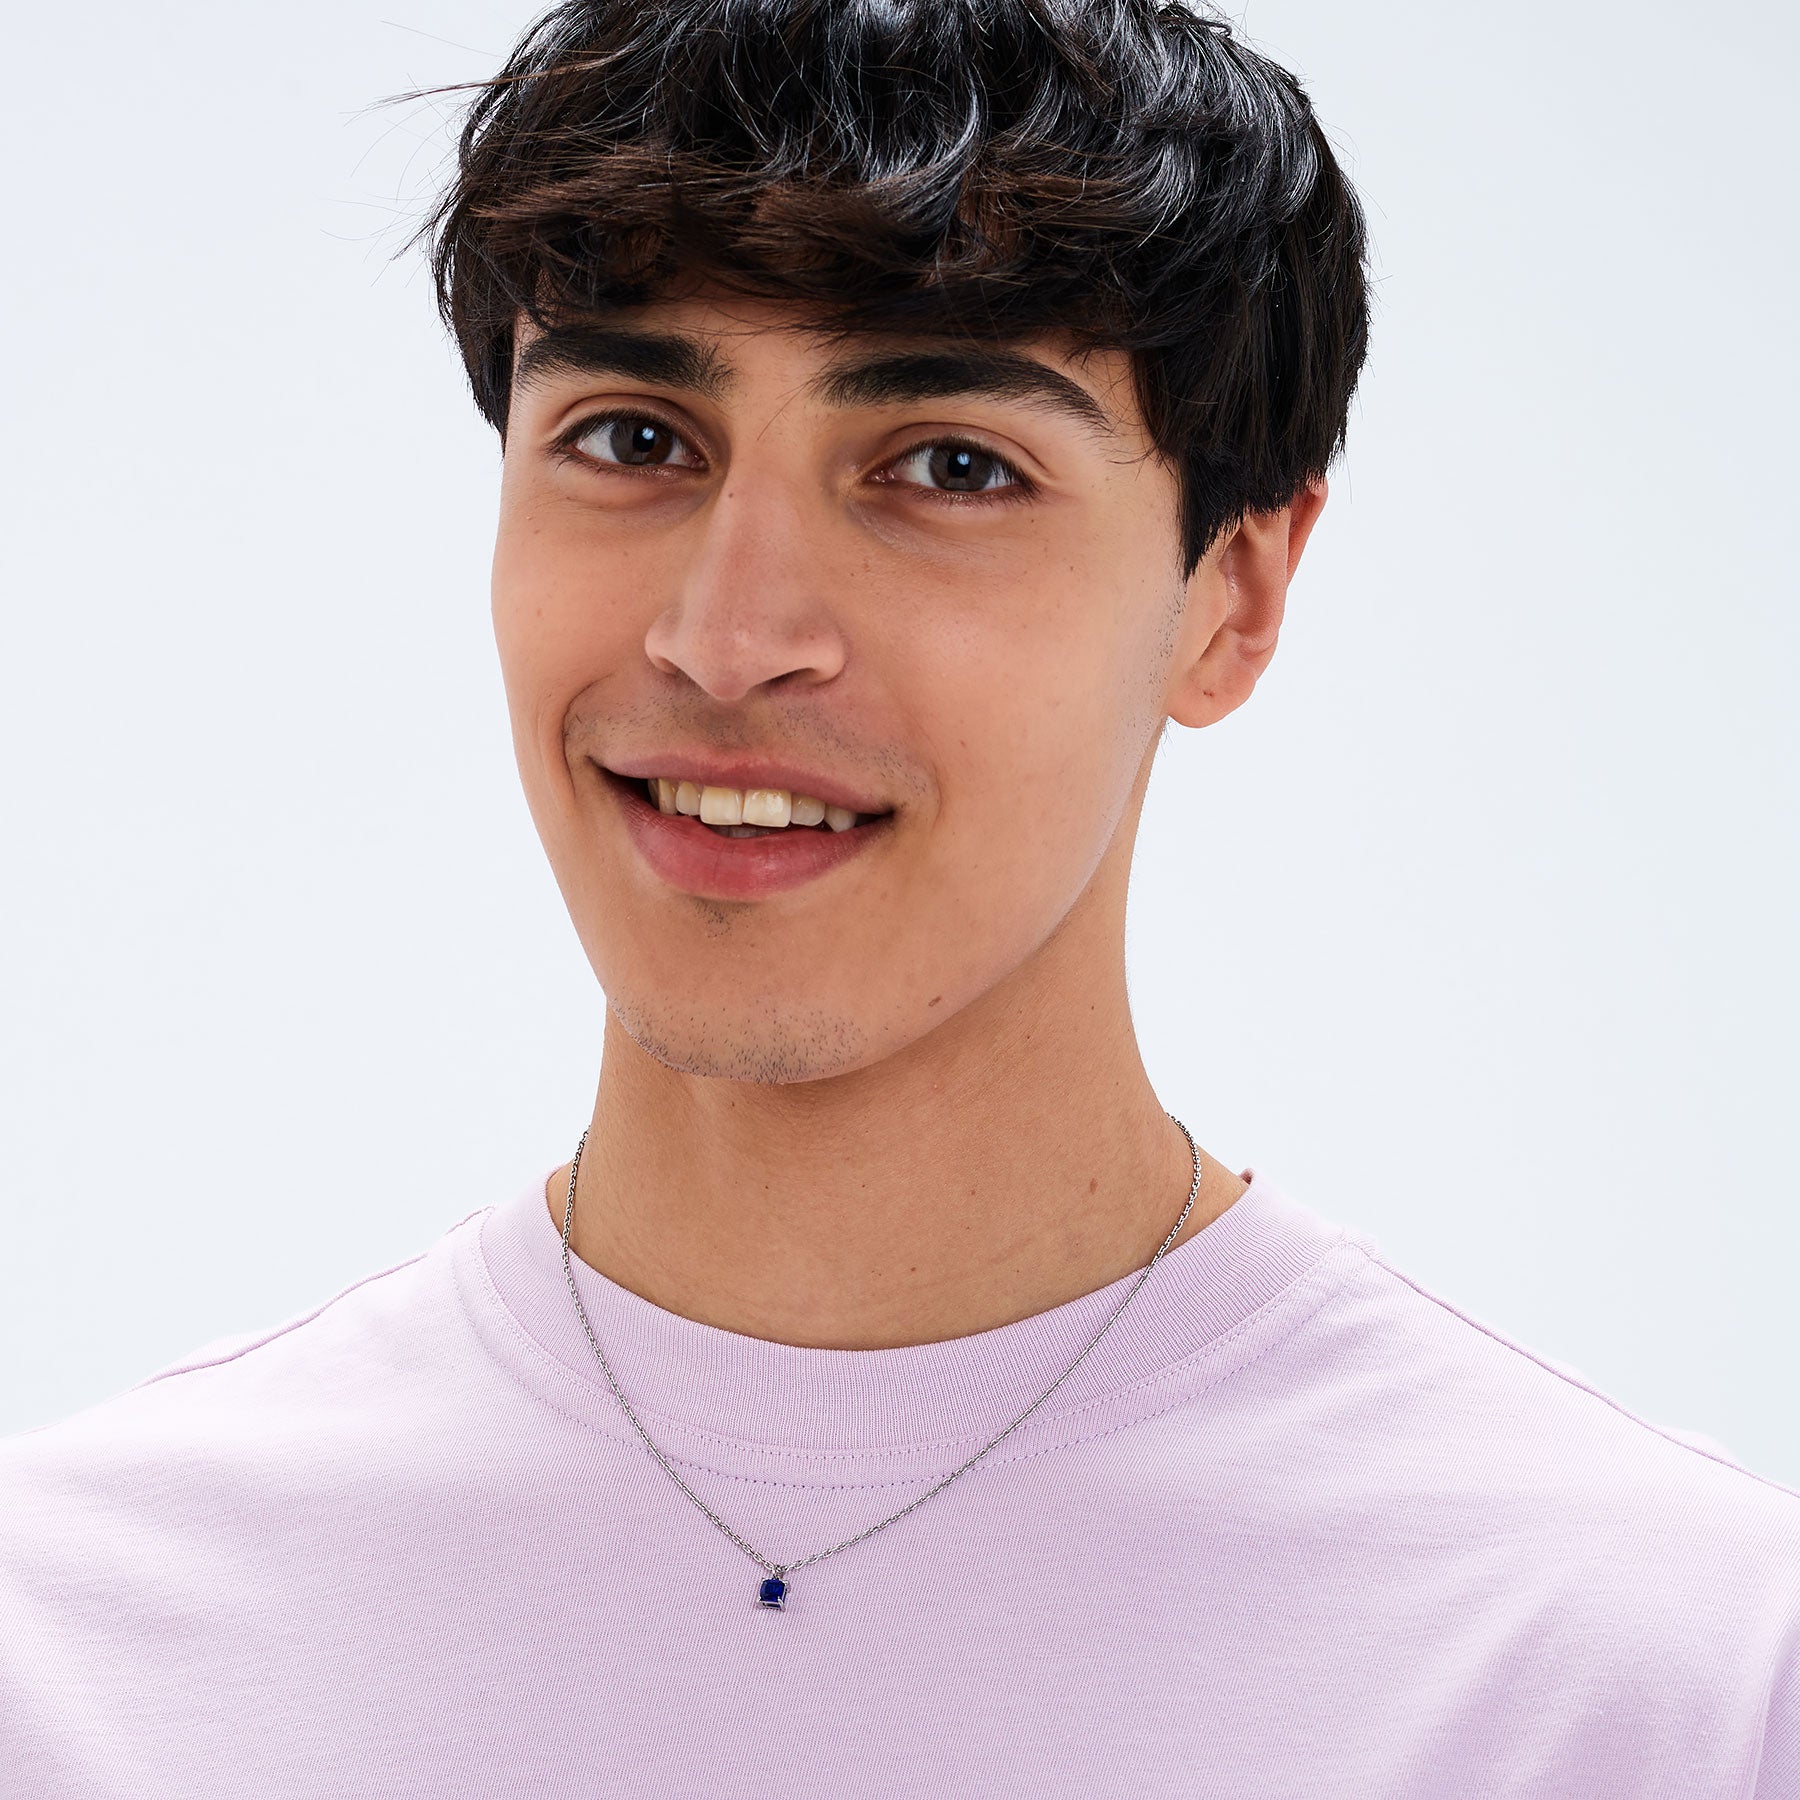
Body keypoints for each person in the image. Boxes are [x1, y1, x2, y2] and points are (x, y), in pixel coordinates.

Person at [3, 1, 1796, 1793]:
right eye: (634, 440)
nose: (728, 638)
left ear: (1234, 595)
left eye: (951, 466)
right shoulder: (73, 1650)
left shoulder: (1662, 1676)